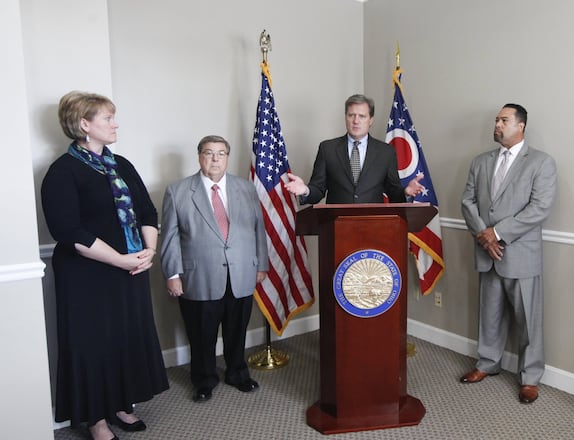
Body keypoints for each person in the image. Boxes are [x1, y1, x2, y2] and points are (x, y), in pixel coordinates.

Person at [41, 91, 169, 440]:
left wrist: (149, 252)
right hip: (87, 276)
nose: (115, 124)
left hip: (130, 269)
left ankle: (121, 404)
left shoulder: (122, 165)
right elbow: (69, 231)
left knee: (125, 339)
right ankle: (96, 419)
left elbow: (146, 211)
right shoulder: (62, 171)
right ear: (84, 125)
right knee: (93, 344)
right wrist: (120, 258)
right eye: (108, 118)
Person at [460, 103, 558, 404]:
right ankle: (487, 363)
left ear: (521, 126)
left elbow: (539, 208)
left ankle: (530, 377)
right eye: (496, 120)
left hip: (520, 253)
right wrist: (484, 235)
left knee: (528, 320)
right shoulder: (480, 161)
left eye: (504, 120)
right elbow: (468, 201)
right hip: (487, 251)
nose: (497, 124)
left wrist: (498, 233)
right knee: (489, 314)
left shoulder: (541, 162)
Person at [160, 135, 269, 403]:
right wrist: (172, 274)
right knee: (201, 335)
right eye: (209, 153)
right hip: (199, 277)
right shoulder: (178, 191)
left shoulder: (246, 188)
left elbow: (258, 229)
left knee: (237, 330)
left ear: (227, 158)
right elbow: (170, 237)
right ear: (199, 156)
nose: (215, 159)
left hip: (241, 273)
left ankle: (237, 373)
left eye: (221, 153)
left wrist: (261, 264)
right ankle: (204, 380)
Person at [284, 94, 424, 203]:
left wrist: (406, 192)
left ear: (371, 120)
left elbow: (394, 193)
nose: (356, 121)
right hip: (336, 228)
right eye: (351, 115)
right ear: (346, 117)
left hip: (374, 228)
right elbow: (318, 189)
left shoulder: (385, 152)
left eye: (362, 116)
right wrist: (305, 190)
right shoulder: (327, 149)